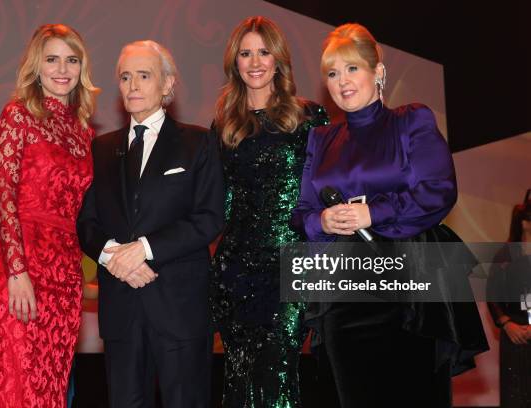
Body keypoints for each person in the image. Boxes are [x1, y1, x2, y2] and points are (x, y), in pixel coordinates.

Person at [292, 23, 487, 407]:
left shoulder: (410, 120)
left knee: (416, 393)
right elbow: (301, 212)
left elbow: (438, 189)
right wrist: (322, 222)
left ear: (378, 73)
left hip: (412, 284)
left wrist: (372, 213)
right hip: (343, 290)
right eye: (332, 73)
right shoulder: (321, 138)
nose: (342, 81)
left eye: (352, 69)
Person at [77, 40, 224, 408]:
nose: (133, 86)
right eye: (126, 77)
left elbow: (209, 218)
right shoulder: (101, 148)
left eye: (144, 75)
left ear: (167, 85)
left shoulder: (199, 142)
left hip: (179, 306)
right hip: (122, 310)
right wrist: (114, 258)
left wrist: (143, 249)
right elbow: (87, 222)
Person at [209, 16, 328, 407]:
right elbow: (217, 204)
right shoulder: (224, 126)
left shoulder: (309, 118)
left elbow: (325, 193)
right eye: (245, 53)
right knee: (238, 379)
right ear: (235, 63)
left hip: (289, 266)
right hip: (235, 270)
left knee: (277, 375)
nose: (255, 61)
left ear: (279, 60)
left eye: (264, 51)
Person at [0, 24, 99, 407]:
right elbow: (5, 197)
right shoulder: (18, 115)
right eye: (52, 59)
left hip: (65, 275)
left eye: (72, 60)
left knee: (51, 391)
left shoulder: (84, 132)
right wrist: (17, 272)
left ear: (82, 68)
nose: (62, 69)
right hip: (21, 270)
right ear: (36, 66)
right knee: (16, 388)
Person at [487, 191, 531, 407]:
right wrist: (507, 323)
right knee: (515, 394)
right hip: (513, 331)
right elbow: (492, 295)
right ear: (524, 223)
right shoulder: (505, 255)